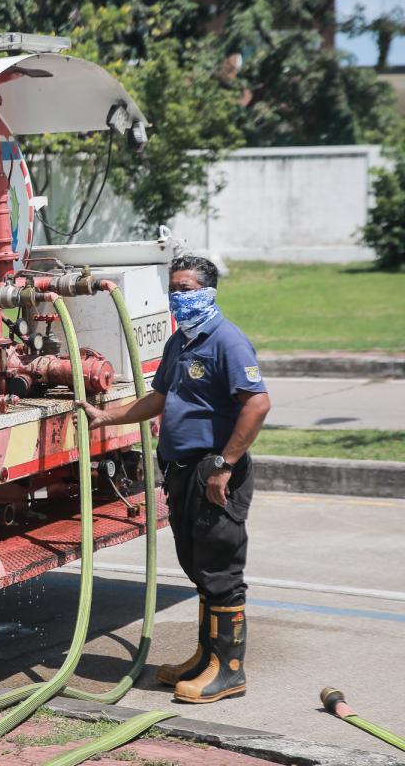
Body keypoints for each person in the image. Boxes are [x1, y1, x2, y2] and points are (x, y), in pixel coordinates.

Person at [81, 254, 270, 704]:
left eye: (187, 289)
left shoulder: (227, 341)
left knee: (221, 571)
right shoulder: (180, 342)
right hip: (183, 472)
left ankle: (230, 671)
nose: (179, 298)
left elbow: (257, 405)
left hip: (215, 473)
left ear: (209, 292)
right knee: (198, 566)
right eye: (174, 290)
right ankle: (206, 659)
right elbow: (159, 398)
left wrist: (225, 465)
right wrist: (105, 416)